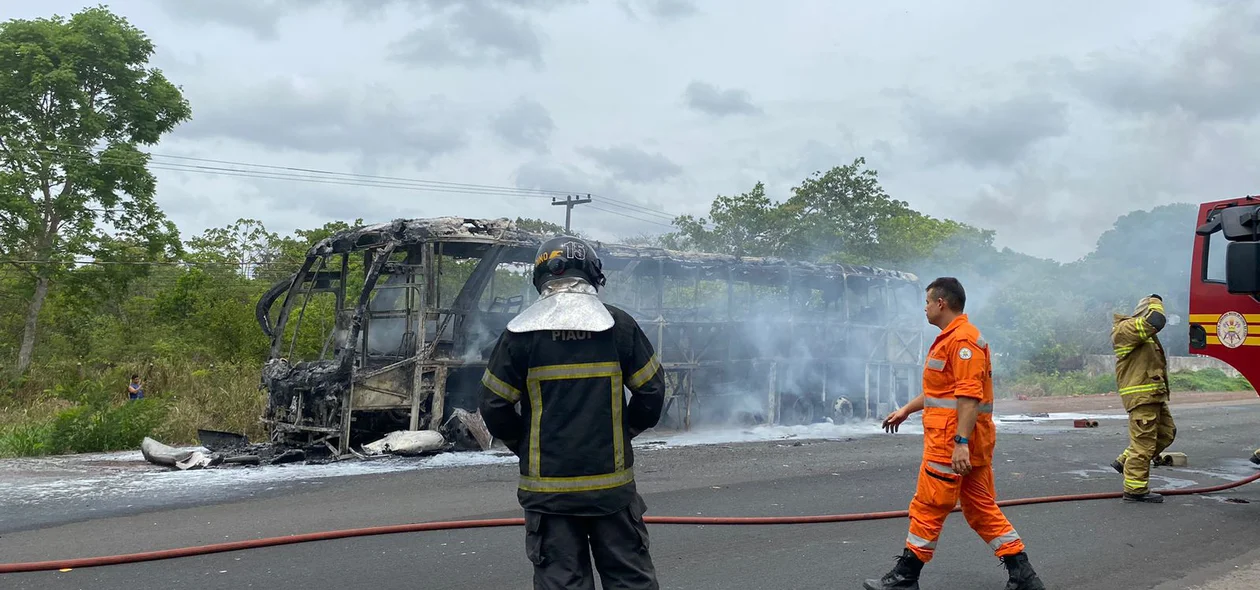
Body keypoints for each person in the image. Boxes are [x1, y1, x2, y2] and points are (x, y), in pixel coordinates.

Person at [479, 235, 666, 590]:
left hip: (548, 495)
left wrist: (527, 446)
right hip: (611, 493)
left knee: (562, 584)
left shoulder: (519, 335)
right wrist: (623, 433)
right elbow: (652, 392)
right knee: (630, 581)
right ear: (594, 274)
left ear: (539, 277)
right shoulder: (619, 327)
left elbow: (493, 404)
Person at [865, 277, 1045, 590]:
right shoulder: (953, 338)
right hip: (965, 442)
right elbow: (941, 392)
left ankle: (905, 577)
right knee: (980, 509)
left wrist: (960, 443)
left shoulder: (962, 341)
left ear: (941, 303)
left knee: (929, 506)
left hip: (952, 443)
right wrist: (907, 409)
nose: (924, 308)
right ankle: (1024, 575)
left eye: (926, 302)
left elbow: (968, 396)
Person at [1106, 294, 1175, 503]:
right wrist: (1155, 300)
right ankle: (1135, 490)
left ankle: (1125, 461)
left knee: (1166, 433)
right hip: (1141, 397)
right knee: (1143, 444)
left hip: (1153, 395)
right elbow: (1157, 320)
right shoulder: (1126, 329)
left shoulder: (1143, 333)